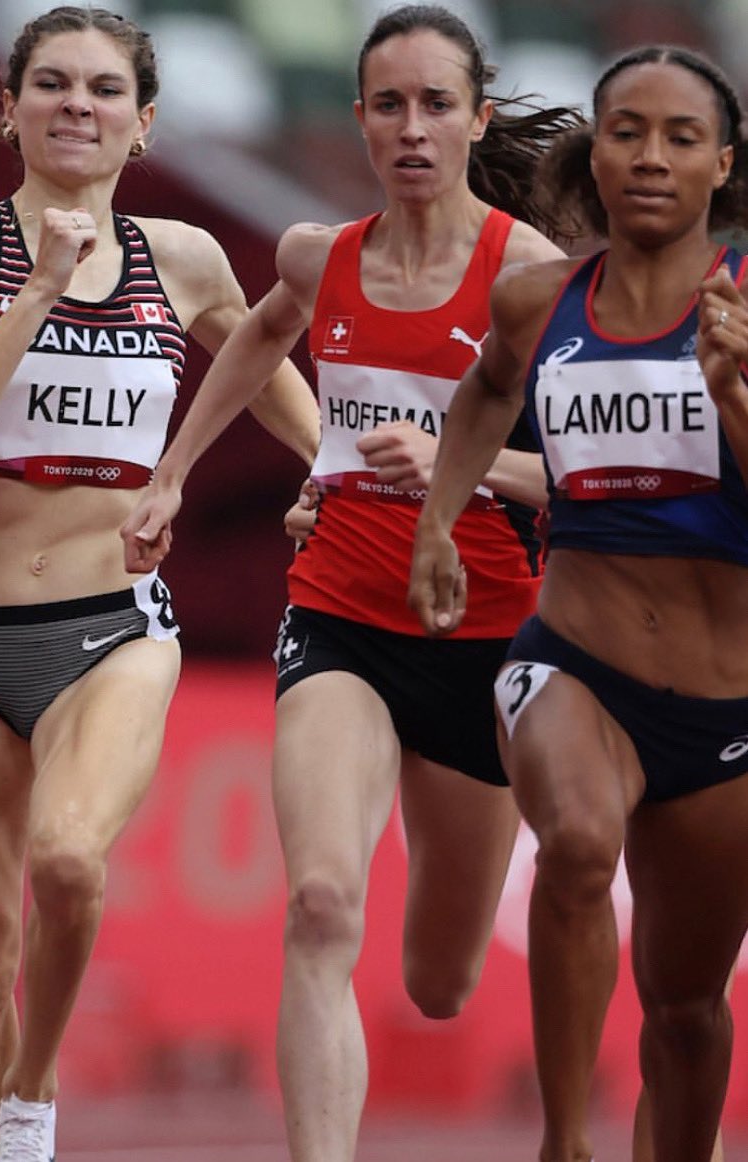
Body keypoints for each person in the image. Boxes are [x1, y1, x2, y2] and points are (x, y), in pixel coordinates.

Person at [122, 7, 580, 1159]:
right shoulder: (317, 256)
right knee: (321, 906)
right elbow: (258, 334)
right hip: (341, 620)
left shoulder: (530, 278)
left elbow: (591, 478)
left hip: (486, 644)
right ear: (360, 120)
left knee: (438, 977)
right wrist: (172, 472)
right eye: (388, 105)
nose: (411, 129)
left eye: (435, 105)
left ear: (477, 119)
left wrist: (458, 462)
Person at [0, 8, 319, 1162]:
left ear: (143, 124)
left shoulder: (181, 258)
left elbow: (258, 349)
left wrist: (329, 467)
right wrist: (35, 292)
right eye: (52, 83)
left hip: (110, 626)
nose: (76, 103)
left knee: (70, 860)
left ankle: (36, 1087)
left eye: (103, 88)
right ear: (10, 106)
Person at [409, 42, 748, 1162]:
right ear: (592, 155)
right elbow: (479, 400)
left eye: (680, 138)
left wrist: (735, 395)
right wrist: (436, 528)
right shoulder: (534, 301)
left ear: (721, 165)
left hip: (722, 706)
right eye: (626, 132)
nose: (650, 157)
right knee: (577, 844)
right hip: (573, 659)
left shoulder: (745, 305)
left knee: (688, 1013)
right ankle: (563, 1141)